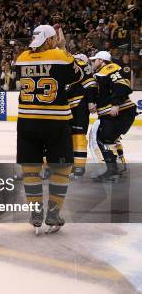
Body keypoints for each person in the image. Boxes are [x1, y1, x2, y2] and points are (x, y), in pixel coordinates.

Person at [15, 25, 83, 235]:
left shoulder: (22, 58)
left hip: (27, 121)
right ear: (50, 40)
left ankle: (36, 213)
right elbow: (78, 76)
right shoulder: (60, 56)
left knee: (30, 169)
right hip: (56, 122)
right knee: (61, 169)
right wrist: (64, 48)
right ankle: (53, 213)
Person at [89, 51, 136, 181]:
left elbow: (121, 85)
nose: (93, 62)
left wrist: (116, 103)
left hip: (119, 112)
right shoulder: (100, 72)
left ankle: (112, 171)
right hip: (114, 113)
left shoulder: (110, 68)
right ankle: (118, 167)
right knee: (110, 140)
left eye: (95, 60)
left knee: (103, 139)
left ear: (102, 61)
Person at [67, 53, 97, 177]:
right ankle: (73, 165)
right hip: (70, 105)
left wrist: (91, 101)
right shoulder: (73, 69)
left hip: (79, 104)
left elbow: (91, 85)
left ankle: (79, 166)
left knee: (78, 135)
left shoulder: (82, 65)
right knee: (69, 137)